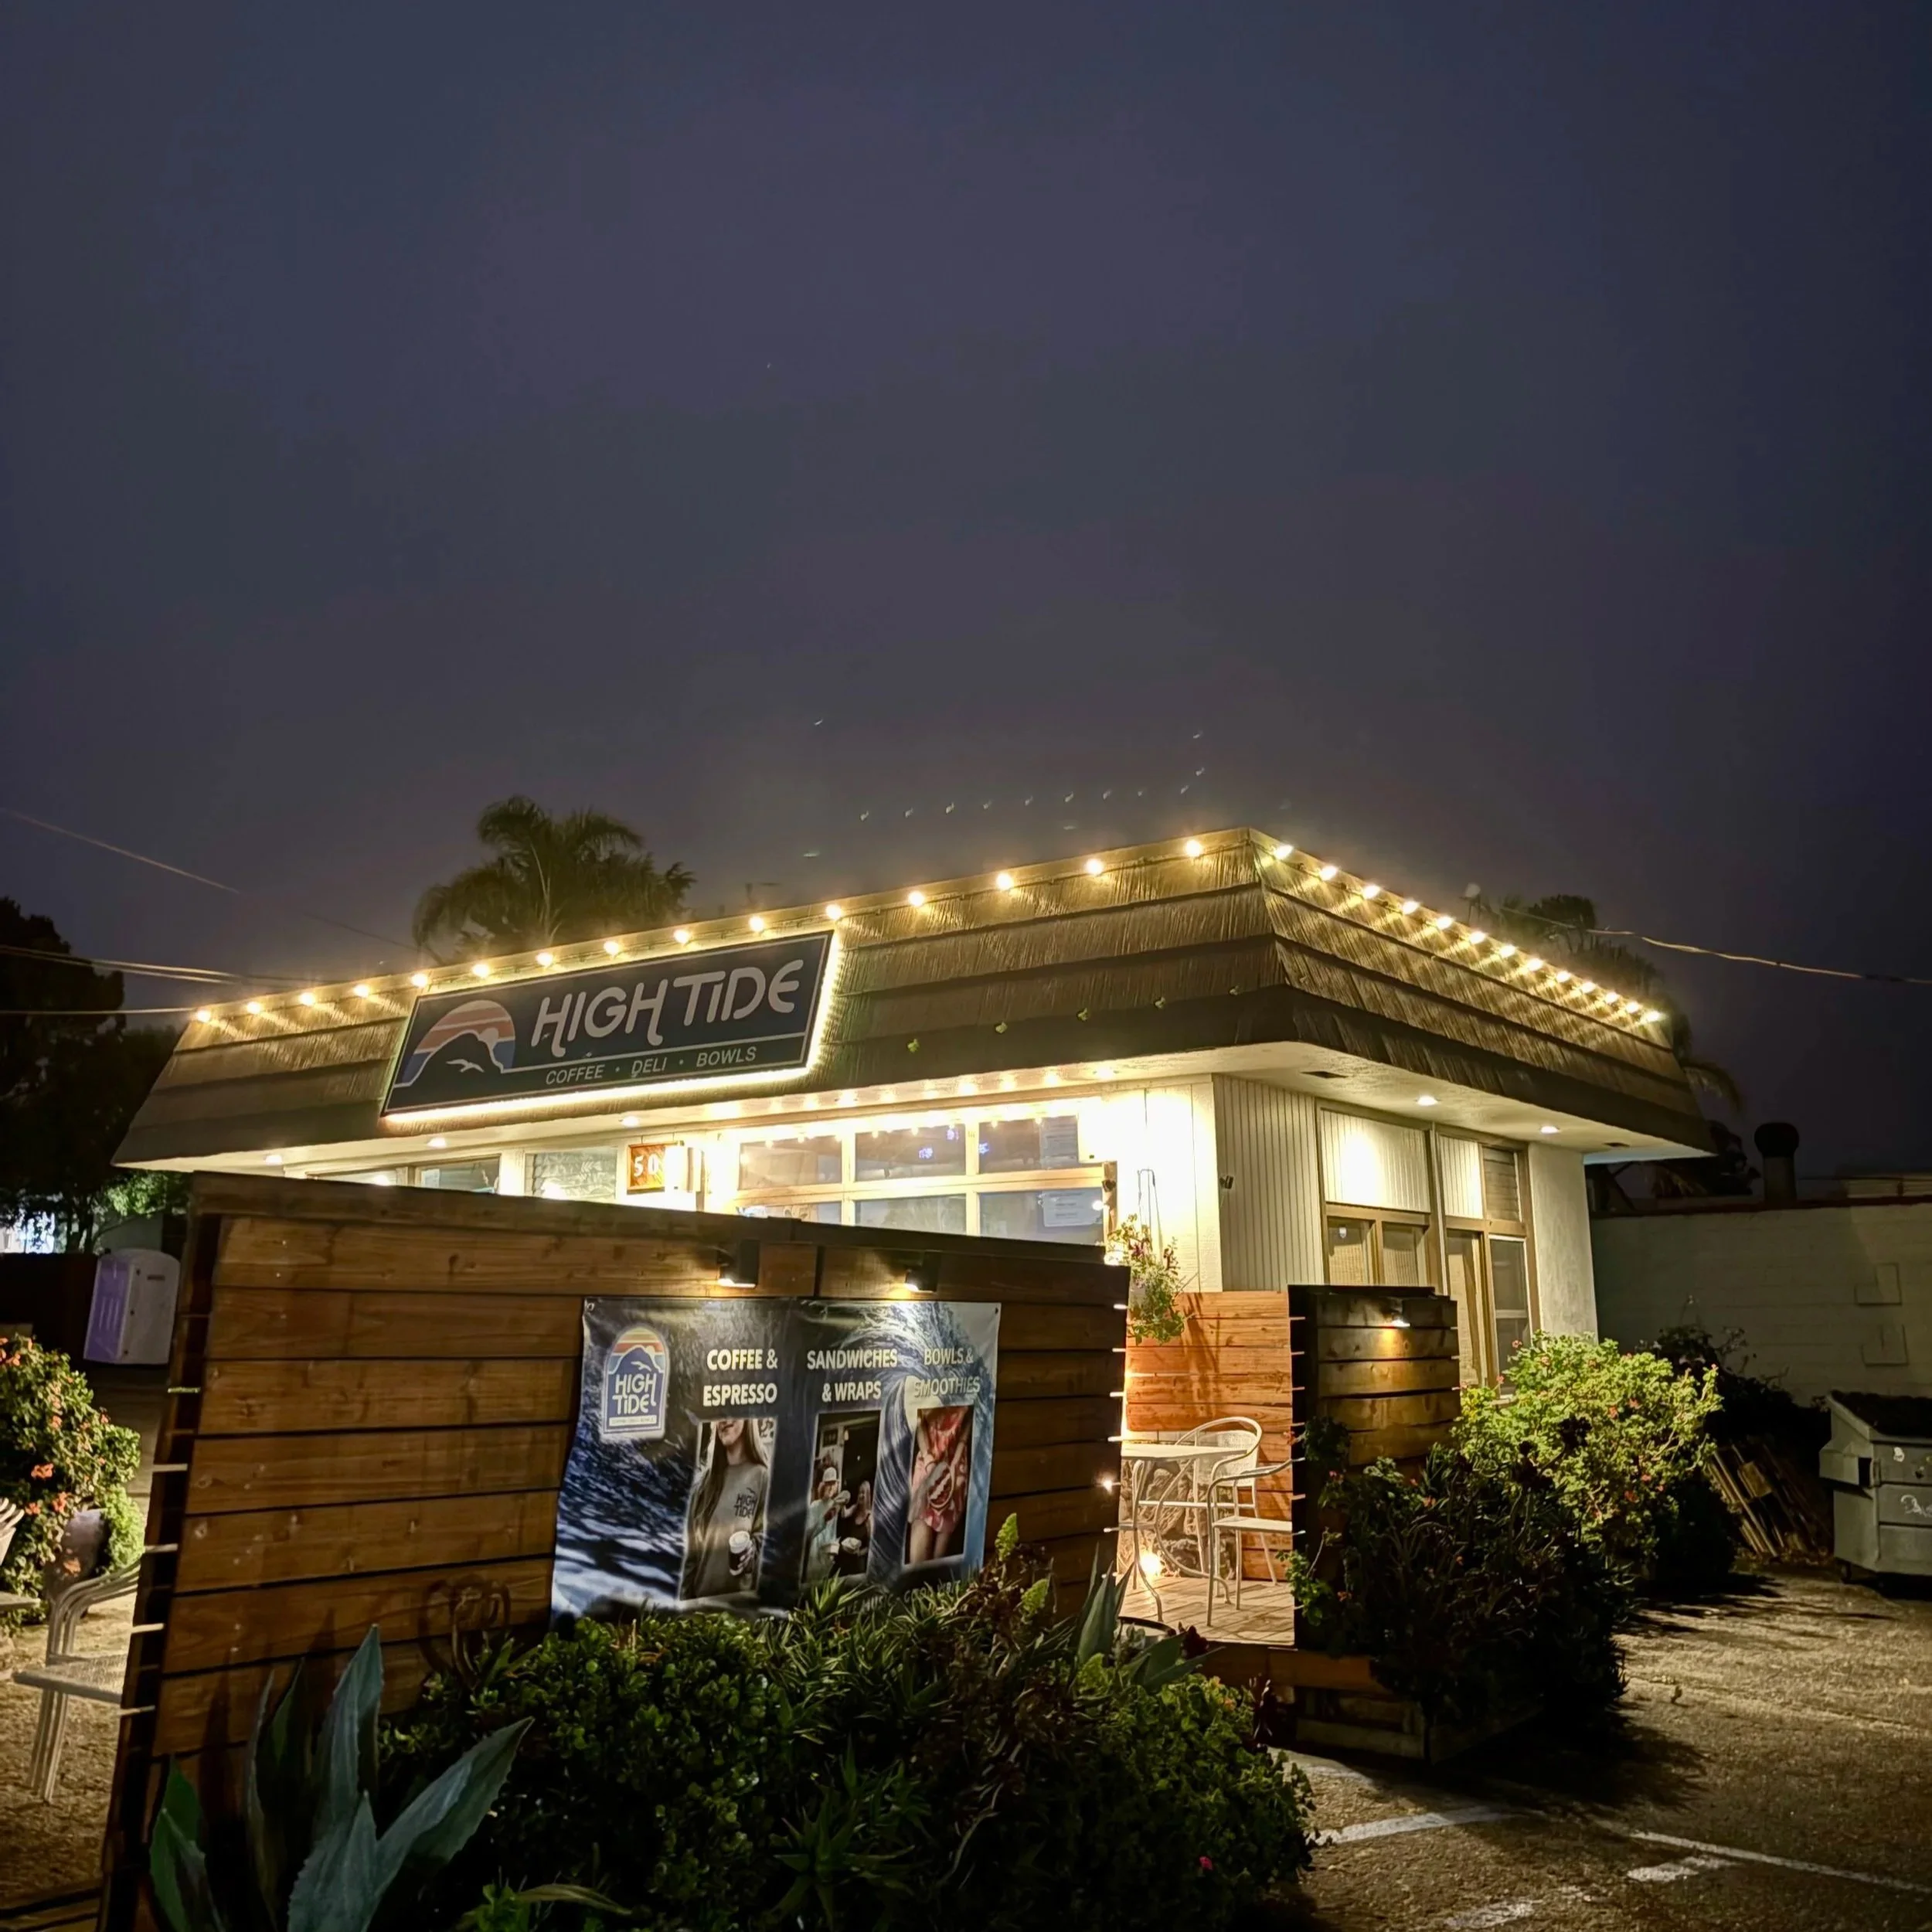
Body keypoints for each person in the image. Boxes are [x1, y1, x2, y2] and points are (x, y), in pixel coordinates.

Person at [682, 1417, 769, 1600]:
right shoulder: (703, 1485)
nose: (724, 1420)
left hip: (739, 1608)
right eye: (719, 1415)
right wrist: (684, 1607)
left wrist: (752, 1550)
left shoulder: (762, 1478)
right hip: (700, 1604)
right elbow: (692, 1558)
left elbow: (769, 1541)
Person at [906, 1406, 972, 1565]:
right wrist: (929, 1462)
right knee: (918, 1559)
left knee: (939, 1559)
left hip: (955, 1460)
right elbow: (917, 1416)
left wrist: (956, 1464)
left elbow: (971, 1417)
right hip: (928, 1454)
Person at [804, 1463, 845, 1585]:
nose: (831, 1487)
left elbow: (834, 1533)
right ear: (823, 1485)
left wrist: (836, 1545)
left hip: (828, 1557)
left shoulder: (835, 1506)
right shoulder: (814, 1506)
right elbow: (808, 1532)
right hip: (815, 1556)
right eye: (828, 1484)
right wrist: (823, 1520)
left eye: (834, 1484)